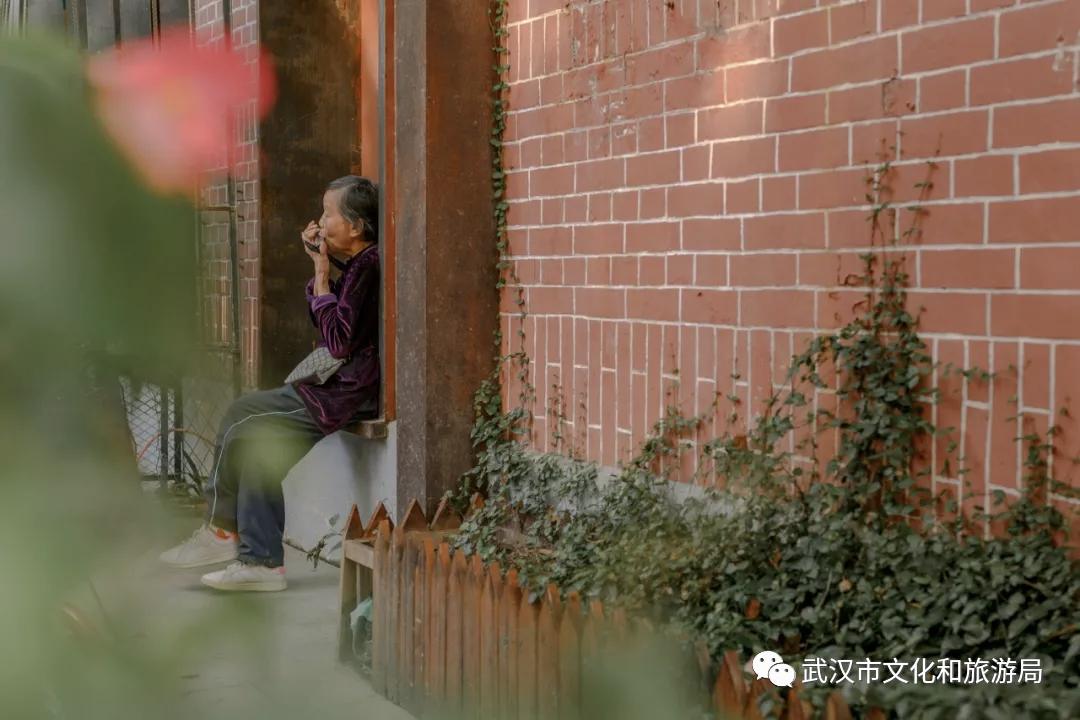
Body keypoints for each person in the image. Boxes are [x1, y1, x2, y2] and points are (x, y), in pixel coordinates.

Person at [160, 175, 380, 592]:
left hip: (340, 392)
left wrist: (321, 274)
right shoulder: (359, 264)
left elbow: (338, 341)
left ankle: (230, 537)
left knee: (245, 421)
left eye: (328, 214)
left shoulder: (368, 266)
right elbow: (336, 325)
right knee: (252, 442)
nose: (320, 222)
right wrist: (321, 266)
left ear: (354, 226)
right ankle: (253, 556)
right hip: (335, 384)